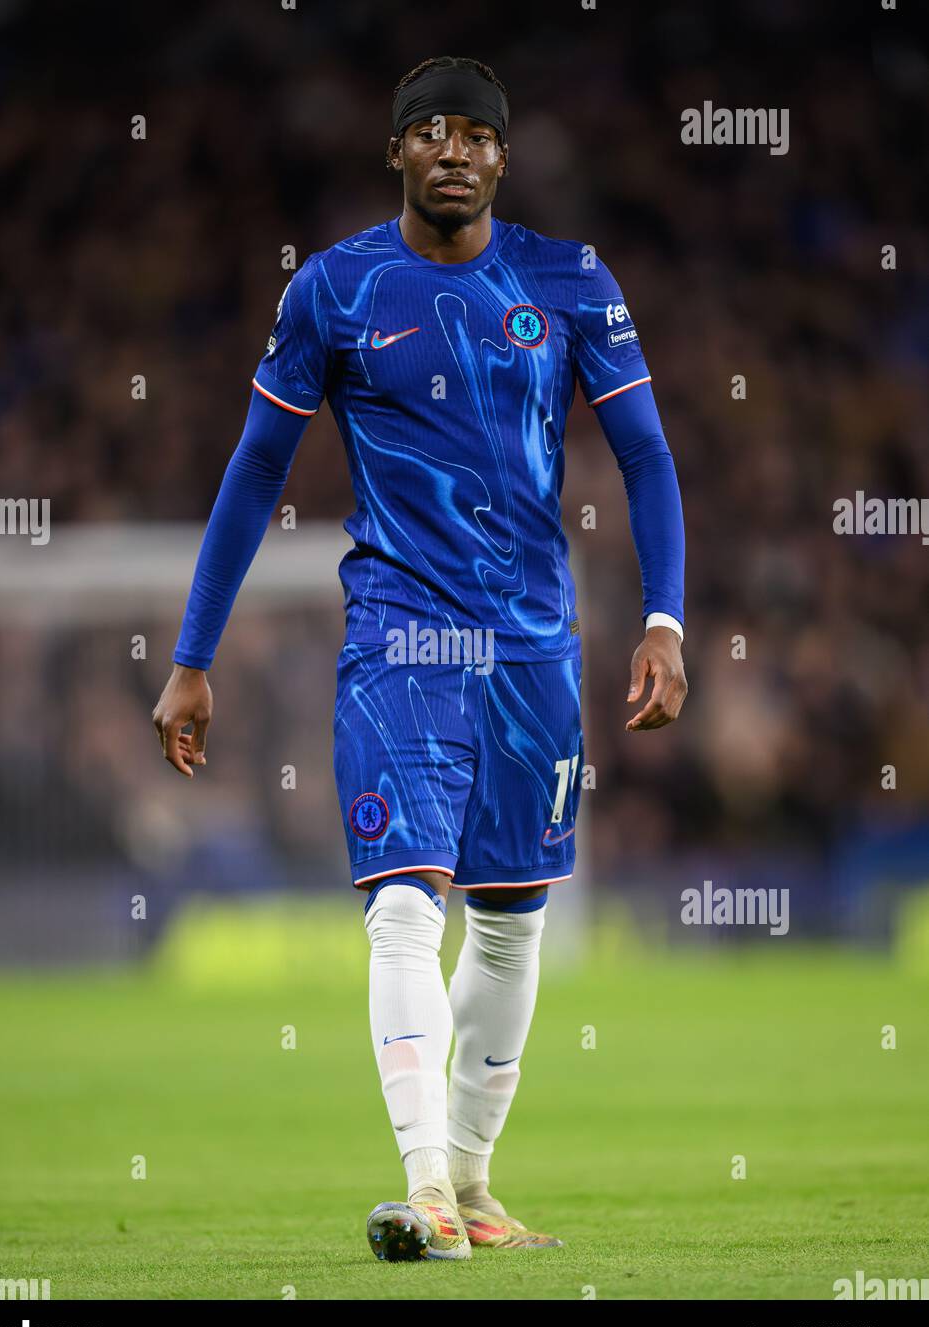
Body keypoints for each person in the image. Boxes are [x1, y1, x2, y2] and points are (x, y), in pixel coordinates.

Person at [152, 54, 687, 1262]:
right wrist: (193, 653)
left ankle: (477, 1188)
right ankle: (427, 1188)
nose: (455, 150)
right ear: (395, 151)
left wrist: (667, 619)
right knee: (405, 905)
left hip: (535, 649)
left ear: (505, 157)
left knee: (509, 921)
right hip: (400, 634)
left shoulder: (570, 281)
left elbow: (647, 456)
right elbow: (254, 471)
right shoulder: (334, 290)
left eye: (477, 135)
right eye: (430, 132)